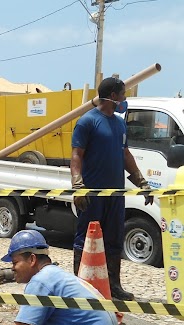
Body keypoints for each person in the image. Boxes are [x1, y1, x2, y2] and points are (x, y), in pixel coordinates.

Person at [70, 76, 154, 301]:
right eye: (123, 94)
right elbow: (77, 155)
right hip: (93, 195)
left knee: (114, 239)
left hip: (115, 194)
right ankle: (78, 288)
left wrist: (141, 182)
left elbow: (125, 154)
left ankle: (113, 285)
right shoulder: (87, 121)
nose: (125, 98)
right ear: (113, 96)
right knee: (86, 239)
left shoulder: (118, 123)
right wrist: (78, 186)